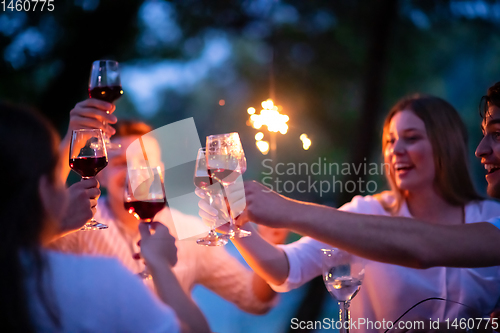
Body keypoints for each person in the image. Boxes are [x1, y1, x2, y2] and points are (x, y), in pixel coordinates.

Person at [199, 94, 500, 330]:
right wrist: (232, 222)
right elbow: (285, 269)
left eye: (411, 138)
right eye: (390, 141)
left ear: (445, 145)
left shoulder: (490, 219)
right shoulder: (364, 211)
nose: (395, 150)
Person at [0, 103, 210, 333]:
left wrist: (53, 228)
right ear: (44, 190)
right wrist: (160, 265)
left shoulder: (18, 280)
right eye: (55, 173)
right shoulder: (102, 281)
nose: (134, 173)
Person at [51, 104, 276, 314]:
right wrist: (66, 149)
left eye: (144, 162)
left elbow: (254, 299)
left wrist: (272, 238)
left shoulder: (192, 231)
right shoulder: (73, 224)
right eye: (121, 163)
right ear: (101, 172)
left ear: (162, 172)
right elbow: (24, 246)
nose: (135, 173)